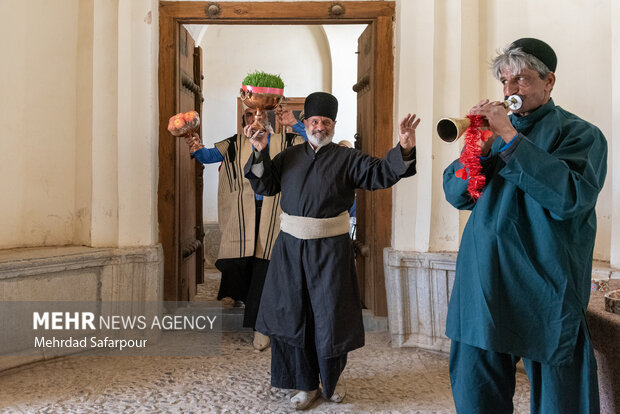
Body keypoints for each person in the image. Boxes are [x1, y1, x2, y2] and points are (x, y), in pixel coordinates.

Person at [443, 38, 607, 413]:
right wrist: (476, 148)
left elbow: (569, 197)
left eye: (522, 79)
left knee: (561, 397)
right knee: (475, 389)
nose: (510, 90)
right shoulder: (490, 135)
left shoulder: (582, 134)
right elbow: (457, 194)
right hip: (485, 279)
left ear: (549, 82)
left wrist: (510, 137)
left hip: (545, 282)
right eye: (504, 81)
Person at [244, 92, 419, 410]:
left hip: (331, 252)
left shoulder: (347, 158)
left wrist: (404, 147)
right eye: (314, 121)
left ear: (333, 125)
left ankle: (332, 381)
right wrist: (258, 150)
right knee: (293, 316)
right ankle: (304, 384)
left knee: (330, 317)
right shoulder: (289, 156)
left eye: (326, 121)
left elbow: (381, 173)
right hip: (290, 251)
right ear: (305, 124)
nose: (320, 126)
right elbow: (264, 185)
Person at [184, 102, 306, 352]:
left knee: (266, 267)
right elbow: (208, 156)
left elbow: (313, 144)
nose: (255, 118)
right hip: (244, 214)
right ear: (243, 122)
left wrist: (295, 123)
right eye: (249, 115)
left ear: (269, 119)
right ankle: (244, 301)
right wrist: (195, 146)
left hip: (276, 211)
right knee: (240, 261)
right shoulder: (233, 143)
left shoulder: (287, 141)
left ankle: (260, 325)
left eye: (259, 114)